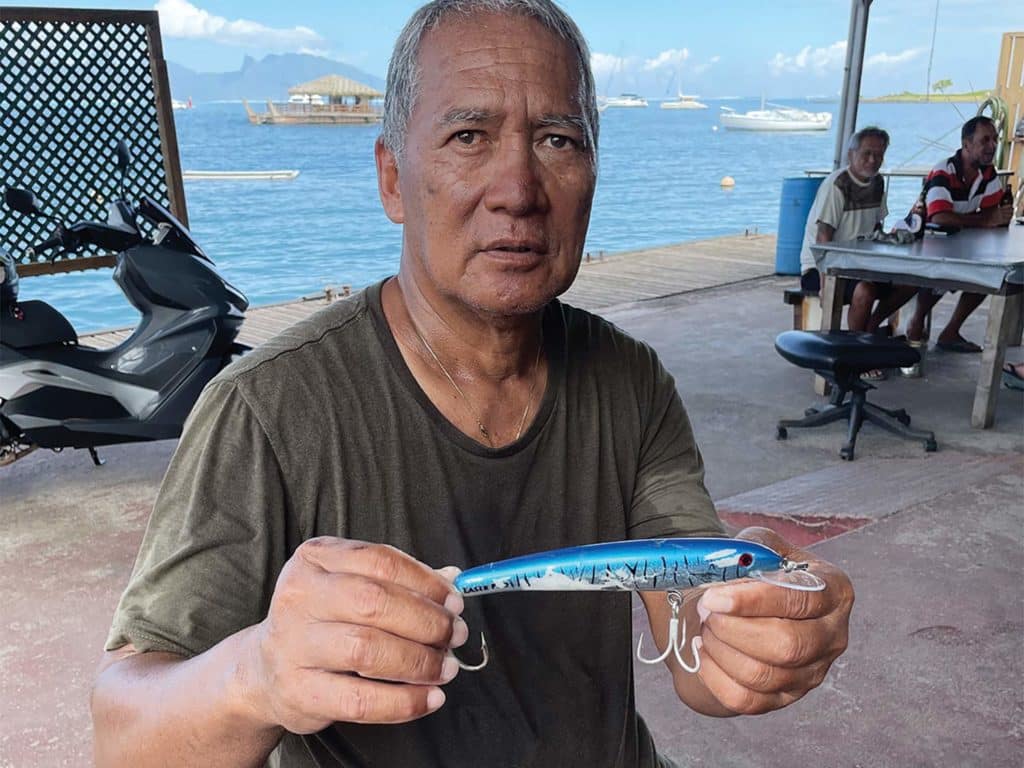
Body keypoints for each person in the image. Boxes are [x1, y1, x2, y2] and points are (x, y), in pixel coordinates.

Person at [90, 2, 854, 766]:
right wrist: (256, 674)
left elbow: (693, 641)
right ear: (393, 177)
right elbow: (126, 737)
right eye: (468, 137)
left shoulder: (631, 379)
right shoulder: (262, 410)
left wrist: (750, 632)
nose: (518, 190)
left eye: (558, 140)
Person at [798, 126, 916, 379]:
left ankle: (870, 330)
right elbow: (823, 237)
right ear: (851, 155)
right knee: (865, 290)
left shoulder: (878, 182)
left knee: (915, 280)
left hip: (861, 263)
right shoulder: (838, 185)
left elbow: (876, 226)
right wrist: (824, 284)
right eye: (866, 154)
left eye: (879, 155)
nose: (873, 160)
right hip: (822, 266)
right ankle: (858, 355)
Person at [904, 116, 1014, 352]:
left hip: (957, 239)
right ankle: (915, 322)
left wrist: (996, 217)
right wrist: (987, 221)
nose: (992, 145)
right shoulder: (944, 170)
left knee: (986, 275)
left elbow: (994, 215)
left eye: (994, 139)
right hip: (921, 241)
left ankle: (950, 331)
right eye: (985, 140)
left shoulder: (988, 174)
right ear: (966, 144)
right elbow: (939, 217)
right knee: (938, 276)